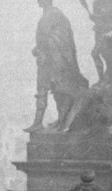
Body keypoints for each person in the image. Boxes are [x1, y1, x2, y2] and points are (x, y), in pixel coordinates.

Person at [24, 0, 89, 133]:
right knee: (50, 90)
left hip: (52, 60)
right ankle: (51, 121)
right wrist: (39, 48)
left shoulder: (52, 14)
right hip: (49, 58)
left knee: (52, 90)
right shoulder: (51, 14)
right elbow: (47, 37)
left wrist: (40, 48)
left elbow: (51, 38)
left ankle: (54, 121)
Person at [90, 0, 112, 84]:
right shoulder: (97, 2)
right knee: (100, 54)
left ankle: (103, 79)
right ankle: (103, 78)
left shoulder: (105, 2)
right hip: (101, 31)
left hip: (106, 32)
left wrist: (95, 17)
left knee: (98, 54)